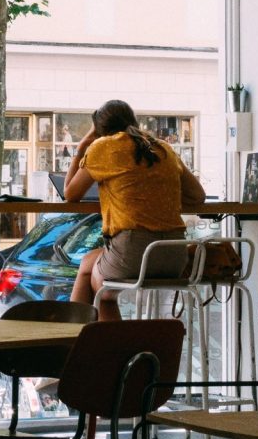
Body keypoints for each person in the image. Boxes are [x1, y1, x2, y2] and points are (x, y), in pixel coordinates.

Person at [65, 100, 205, 321]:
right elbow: (198, 195)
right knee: (87, 264)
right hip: (175, 255)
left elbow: (70, 194)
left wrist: (81, 149)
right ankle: (82, 337)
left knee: (103, 290)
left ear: (100, 130)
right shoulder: (162, 148)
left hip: (133, 252)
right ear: (133, 121)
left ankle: (92, 340)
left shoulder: (103, 147)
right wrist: (158, 192)